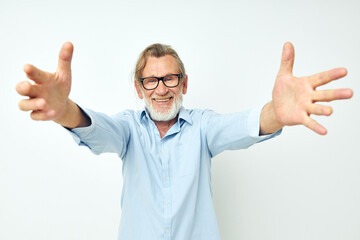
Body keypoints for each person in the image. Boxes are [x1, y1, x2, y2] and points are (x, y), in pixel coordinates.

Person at [16, 42, 353, 240]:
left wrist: (277, 113)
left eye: (170, 78)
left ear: (184, 84)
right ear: (138, 89)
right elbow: (97, 129)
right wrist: (64, 111)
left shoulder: (203, 127)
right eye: (151, 80)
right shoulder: (129, 128)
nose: (161, 89)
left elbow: (243, 125)